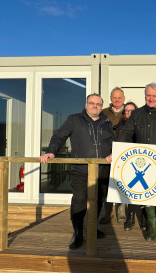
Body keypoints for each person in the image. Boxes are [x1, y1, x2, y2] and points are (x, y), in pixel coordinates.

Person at [106, 83, 156, 245]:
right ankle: (152, 228)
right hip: (143, 164)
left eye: (154, 96)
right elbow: (125, 134)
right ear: (144, 96)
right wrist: (115, 153)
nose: (151, 99)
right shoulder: (136, 114)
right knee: (147, 197)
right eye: (148, 95)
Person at [39, 93, 113, 249]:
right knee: (79, 202)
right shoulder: (74, 119)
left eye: (98, 104)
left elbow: (114, 143)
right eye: (92, 103)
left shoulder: (107, 122)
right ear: (86, 105)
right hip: (80, 170)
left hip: (102, 171)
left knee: (99, 201)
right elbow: (59, 137)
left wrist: (115, 153)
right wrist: (51, 151)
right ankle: (78, 232)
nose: (95, 106)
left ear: (101, 106)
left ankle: (92, 227)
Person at [113, 101, 147, 232]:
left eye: (131, 110)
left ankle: (144, 219)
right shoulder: (118, 127)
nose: (128, 113)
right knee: (129, 191)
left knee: (143, 192)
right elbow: (115, 144)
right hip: (125, 163)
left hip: (140, 162)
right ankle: (130, 218)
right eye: (126, 110)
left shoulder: (142, 125)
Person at [101, 87, 127, 224]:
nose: (117, 100)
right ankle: (107, 212)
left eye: (119, 97)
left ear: (123, 98)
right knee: (106, 183)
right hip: (106, 153)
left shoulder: (129, 112)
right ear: (111, 98)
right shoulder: (103, 112)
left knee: (121, 181)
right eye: (114, 97)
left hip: (123, 152)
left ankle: (121, 211)